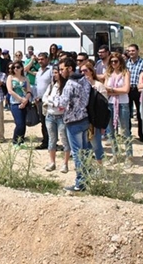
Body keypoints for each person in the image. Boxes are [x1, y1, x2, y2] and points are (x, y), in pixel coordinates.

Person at [59, 57, 91, 192]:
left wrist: (51, 100)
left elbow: (62, 103)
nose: (60, 72)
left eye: (62, 69)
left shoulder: (70, 84)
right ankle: (86, 180)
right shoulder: (85, 80)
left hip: (73, 122)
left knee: (77, 153)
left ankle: (80, 184)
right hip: (84, 119)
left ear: (70, 68)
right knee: (84, 152)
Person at [104, 53, 133, 164]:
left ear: (120, 61)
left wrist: (112, 89)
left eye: (116, 61)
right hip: (110, 103)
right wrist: (115, 90)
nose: (114, 63)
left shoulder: (125, 73)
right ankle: (115, 154)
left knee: (125, 130)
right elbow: (105, 89)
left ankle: (129, 156)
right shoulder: (109, 73)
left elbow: (126, 89)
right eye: (112, 61)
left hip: (123, 103)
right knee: (110, 131)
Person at [42, 64, 70, 173]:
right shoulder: (51, 86)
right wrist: (52, 102)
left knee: (64, 140)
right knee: (52, 139)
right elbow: (45, 98)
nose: (54, 75)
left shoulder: (66, 86)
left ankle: (65, 163)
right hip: (50, 115)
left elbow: (62, 102)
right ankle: (52, 162)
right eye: (53, 72)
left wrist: (52, 101)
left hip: (61, 116)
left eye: (56, 72)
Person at [81, 61, 108, 164]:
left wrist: (102, 125)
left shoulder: (99, 85)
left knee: (96, 144)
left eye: (85, 70)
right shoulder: (80, 86)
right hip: (84, 119)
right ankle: (88, 166)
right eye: (81, 71)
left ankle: (100, 166)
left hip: (95, 120)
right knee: (85, 145)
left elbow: (103, 106)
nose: (83, 73)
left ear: (91, 71)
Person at [7, 60, 32, 147]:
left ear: (22, 68)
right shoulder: (10, 77)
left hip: (25, 102)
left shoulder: (25, 79)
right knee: (19, 124)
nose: (16, 69)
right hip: (15, 103)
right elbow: (10, 91)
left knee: (23, 124)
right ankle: (15, 142)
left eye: (18, 67)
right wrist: (21, 99)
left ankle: (21, 142)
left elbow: (29, 90)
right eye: (14, 67)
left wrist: (25, 100)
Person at [126, 44, 143, 142]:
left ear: (137, 51)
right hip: (128, 89)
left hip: (138, 90)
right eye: (129, 51)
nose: (131, 53)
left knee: (140, 113)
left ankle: (142, 135)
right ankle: (127, 134)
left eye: (133, 51)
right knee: (127, 113)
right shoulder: (126, 63)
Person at [34, 52, 53, 150]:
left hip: (48, 101)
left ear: (47, 59)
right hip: (39, 101)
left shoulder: (51, 70)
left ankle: (51, 142)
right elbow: (37, 86)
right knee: (43, 122)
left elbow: (53, 85)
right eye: (39, 59)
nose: (40, 61)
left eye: (42, 59)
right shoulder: (38, 71)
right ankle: (45, 141)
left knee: (49, 122)